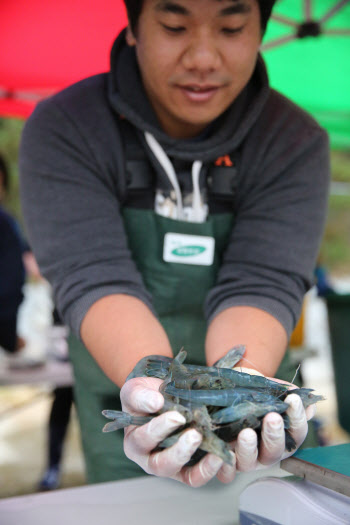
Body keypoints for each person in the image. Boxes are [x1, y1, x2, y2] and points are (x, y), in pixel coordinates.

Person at [19, 0, 330, 487]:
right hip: (121, 406)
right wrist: (151, 387)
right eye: (174, 25)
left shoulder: (293, 140)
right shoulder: (66, 127)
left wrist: (239, 398)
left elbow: (262, 281)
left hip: (251, 425)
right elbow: (95, 276)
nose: (203, 57)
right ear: (133, 28)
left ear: (260, 29)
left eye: (230, 28)